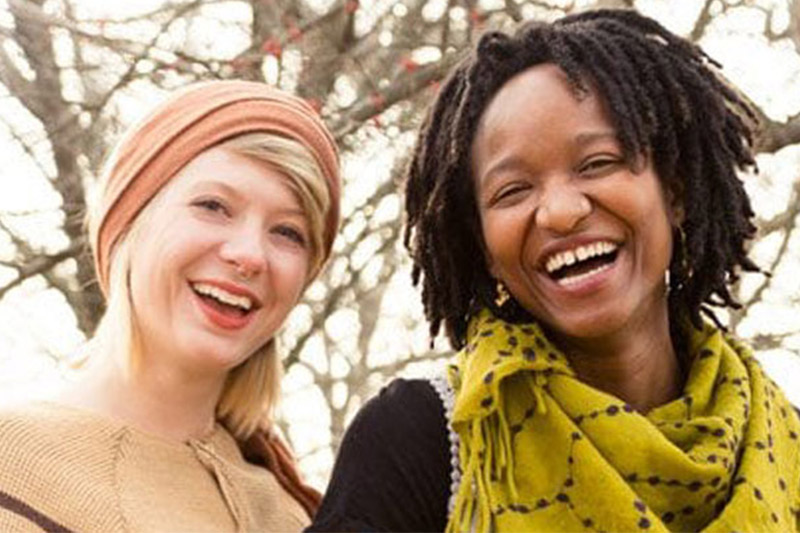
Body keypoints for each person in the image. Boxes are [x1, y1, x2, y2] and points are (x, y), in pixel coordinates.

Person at [310, 8, 800, 532]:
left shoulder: (780, 446)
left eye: (598, 163)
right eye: (513, 191)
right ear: (483, 248)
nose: (561, 212)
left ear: (674, 191)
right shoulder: (421, 439)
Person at [0, 80, 340, 532]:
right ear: (129, 220)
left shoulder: (292, 513)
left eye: (288, 233)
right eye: (214, 205)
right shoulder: (14, 469)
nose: (250, 255)